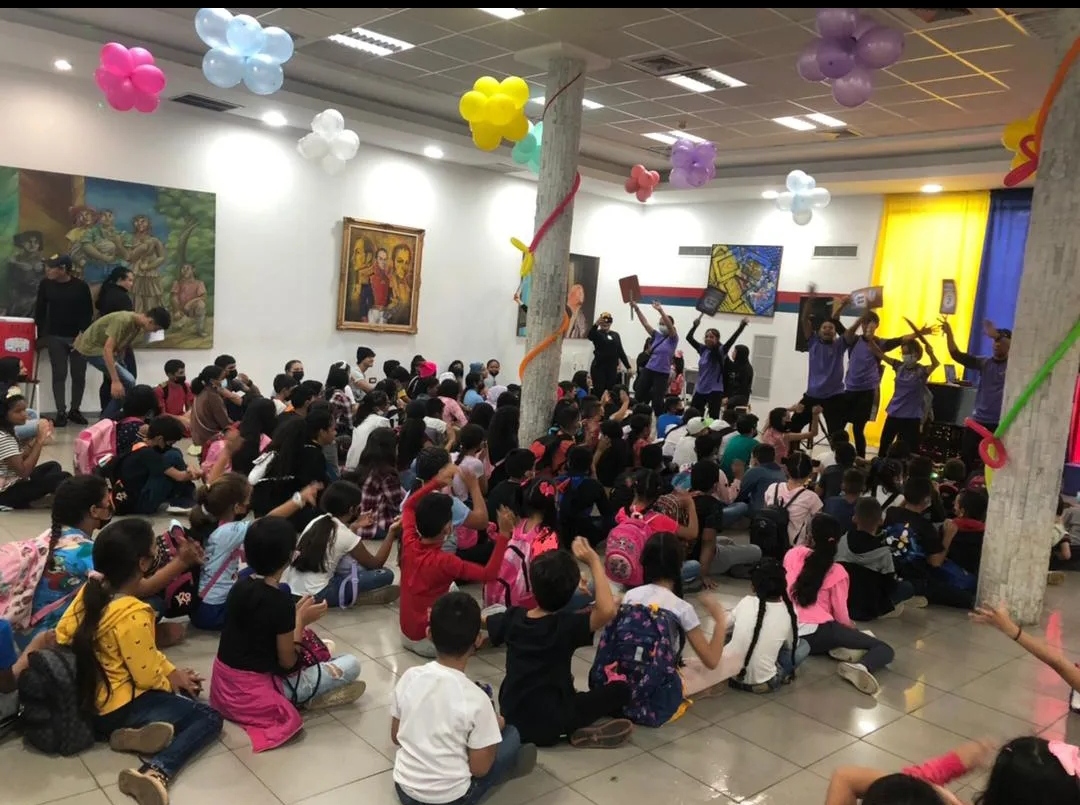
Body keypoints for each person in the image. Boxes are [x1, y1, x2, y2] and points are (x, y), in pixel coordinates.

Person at [56, 520, 223, 805]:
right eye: (154, 550)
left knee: (171, 697)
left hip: (90, 703)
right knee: (208, 717)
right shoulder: (134, 613)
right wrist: (172, 684)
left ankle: (127, 737)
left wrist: (172, 671)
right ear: (143, 563)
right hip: (120, 706)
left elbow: (62, 633)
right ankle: (156, 771)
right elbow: (146, 676)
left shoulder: (90, 592)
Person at [211, 516, 366, 752]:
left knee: (325, 645)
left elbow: (258, 632)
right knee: (351, 664)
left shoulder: (240, 585)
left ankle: (314, 684)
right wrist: (300, 621)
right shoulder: (279, 601)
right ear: (288, 557)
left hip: (223, 688)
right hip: (254, 696)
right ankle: (306, 698)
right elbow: (288, 662)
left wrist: (294, 618)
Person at [391, 592, 536, 805]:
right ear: (478, 640)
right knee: (511, 734)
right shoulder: (476, 699)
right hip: (451, 799)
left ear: (429, 634)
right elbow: (479, 769)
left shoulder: (410, 677)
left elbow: (396, 736)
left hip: (405, 790)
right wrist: (493, 727)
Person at [486, 540, 634, 748]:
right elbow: (607, 610)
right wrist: (594, 561)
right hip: (552, 722)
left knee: (559, 689)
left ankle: (572, 727)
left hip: (512, 716)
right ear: (571, 594)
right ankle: (573, 729)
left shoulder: (513, 618)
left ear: (533, 586)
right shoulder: (566, 626)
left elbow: (483, 621)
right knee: (620, 690)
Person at [399, 465, 511, 657]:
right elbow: (489, 574)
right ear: (448, 528)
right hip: (430, 643)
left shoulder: (409, 541)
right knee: (498, 613)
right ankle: (478, 641)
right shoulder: (445, 562)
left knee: (452, 591)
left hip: (406, 634)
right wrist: (504, 535)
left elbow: (408, 506)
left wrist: (435, 483)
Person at [785, 513, 895, 695]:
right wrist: (851, 628)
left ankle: (838, 647)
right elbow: (841, 615)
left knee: (840, 635)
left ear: (809, 536)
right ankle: (861, 666)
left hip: (786, 626)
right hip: (817, 632)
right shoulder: (837, 572)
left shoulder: (793, 554)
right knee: (883, 648)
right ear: (837, 540)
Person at [621, 532, 737, 696]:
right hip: (658, 687)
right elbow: (711, 661)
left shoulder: (630, 596)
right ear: (680, 566)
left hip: (625, 678)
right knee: (729, 665)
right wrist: (719, 620)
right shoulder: (681, 608)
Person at [283, 481, 399, 607]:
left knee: (344, 567)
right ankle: (353, 598)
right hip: (318, 595)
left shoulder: (316, 521)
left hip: (293, 591)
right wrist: (392, 532)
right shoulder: (345, 535)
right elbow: (376, 564)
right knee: (385, 574)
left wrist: (354, 526)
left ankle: (350, 595)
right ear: (352, 510)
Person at [841, 310, 917, 458]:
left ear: (877, 326)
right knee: (840, 426)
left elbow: (900, 340)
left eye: (872, 323)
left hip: (867, 391)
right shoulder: (854, 340)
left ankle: (861, 458)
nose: (868, 326)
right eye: (865, 323)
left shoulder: (880, 343)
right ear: (862, 324)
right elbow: (837, 324)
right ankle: (839, 456)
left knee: (858, 429)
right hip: (849, 389)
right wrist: (842, 308)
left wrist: (919, 333)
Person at [73, 307, 171, 420]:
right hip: (91, 349)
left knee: (126, 383)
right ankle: (106, 419)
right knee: (129, 381)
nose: (154, 332)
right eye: (156, 329)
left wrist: (119, 363)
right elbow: (107, 349)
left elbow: (121, 347)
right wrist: (115, 381)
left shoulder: (136, 326)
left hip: (105, 350)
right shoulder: (122, 320)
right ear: (150, 321)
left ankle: (114, 417)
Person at [727, 558, 808, 693]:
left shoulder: (745, 602)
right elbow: (790, 646)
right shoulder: (789, 613)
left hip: (730, 676)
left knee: (731, 635)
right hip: (765, 682)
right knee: (804, 646)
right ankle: (774, 675)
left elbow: (724, 627)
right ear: (784, 587)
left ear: (753, 587)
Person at [940, 316, 1010, 471]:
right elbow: (957, 355)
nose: (997, 344)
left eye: (1000, 341)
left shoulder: (1013, 365)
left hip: (999, 424)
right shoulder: (984, 363)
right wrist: (949, 333)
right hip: (978, 422)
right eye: (995, 341)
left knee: (992, 466)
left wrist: (997, 335)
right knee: (966, 460)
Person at [34, 254, 93, 426]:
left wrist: (82, 335)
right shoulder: (46, 285)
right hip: (55, 336)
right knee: (59, 374)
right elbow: (40, 310)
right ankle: (61, 411)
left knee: (79, 374)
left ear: (63, 269)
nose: (47, 270)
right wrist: (39, 336)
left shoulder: (80, 286)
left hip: (78, 337)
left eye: (51, 267)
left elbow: (87, 312)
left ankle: (75, 410)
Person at [687, 460, 759, 586]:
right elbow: (708, 542)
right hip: (704, 560)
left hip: (688, 553)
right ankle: (734, 567)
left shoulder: (685, 497)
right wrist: (703, 575)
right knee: (756, 551)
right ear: (715, 485)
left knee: (726, 540)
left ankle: (734, 566)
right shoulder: (712, 505)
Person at [0, 385, 68, 510]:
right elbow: (23, 472)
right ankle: (40, 499)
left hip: (14, 480)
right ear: (4, 414)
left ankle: (41, 497)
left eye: (24, 410)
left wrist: (33, 442)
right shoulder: (4, 438)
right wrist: (39, 441)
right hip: (6, 493)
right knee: (63, 476)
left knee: (53, 466)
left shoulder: (8, 431)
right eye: (18, 411)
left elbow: (18, 457)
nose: (24, 414)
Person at [791, 289, 848, 437]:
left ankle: (838, 452)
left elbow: (841, 325)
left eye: (831, 328)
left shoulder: (840, 344)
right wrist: (810, 299)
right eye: (824, 327)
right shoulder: (813, 342)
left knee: (836, 433)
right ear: (819, 331)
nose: (827, 330)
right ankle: (792, 450)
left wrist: (842, 306)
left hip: (834, 396)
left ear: (835, 332)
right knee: (794, 425)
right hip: (813, 395)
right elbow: (804, 319)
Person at [870, 332, 939, 456]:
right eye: (903, 353)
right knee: (884, 446)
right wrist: (869, 339)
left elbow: (935, 364)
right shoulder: (898, 366)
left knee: (909, 451)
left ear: (916, 354)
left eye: (907, 353)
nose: (905, 356)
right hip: (894, 413)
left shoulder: (922, 371)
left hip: (911, 417)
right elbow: (880, 354)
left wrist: (931, 353)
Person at [118, 416, 199, 515]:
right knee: (173, 455)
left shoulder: (140, 444)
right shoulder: (149, 454)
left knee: (174, 453)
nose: (170, 446)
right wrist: (199, 473)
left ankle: (186, 497)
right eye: (170, 443)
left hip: (134, 496)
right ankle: (183, 499)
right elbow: (180, 476)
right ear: (160, 439)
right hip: (141, 504)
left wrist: (190, 467)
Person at [686, 314, 748, 419]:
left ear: (717, 339)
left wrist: (741, 326)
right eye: (706, 336)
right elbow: (689, 338)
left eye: (711, 337)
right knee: (693, 415)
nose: (708, 339)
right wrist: (695, 326)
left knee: (713, 417)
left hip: (714, 390)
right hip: (701, 388)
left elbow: (732, 340)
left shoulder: (721, 351)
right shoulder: (703, 349)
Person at [96, 265, 138, 413]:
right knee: (127, 378)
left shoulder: (106, 293)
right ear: (120, 280)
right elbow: (127, 323)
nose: (131, 284)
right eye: (129, 280)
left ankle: (106, 411)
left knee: (109, 378)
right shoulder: (121, 298)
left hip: (107, 340)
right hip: (119, 343)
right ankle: (111, 414)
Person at [763, 452, 823, 547]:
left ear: (786, 470)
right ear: (810, 474)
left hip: (769, 541)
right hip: (794, 547)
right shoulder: (812, 497)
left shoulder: (773, 488)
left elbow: (765, 509)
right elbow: (818, 525)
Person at [631, 300, 678, 415]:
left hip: (662, 373)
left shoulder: (673, 339)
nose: (662, 325)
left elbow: (670, 327)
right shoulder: (657, 335)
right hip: (649, 369)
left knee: (657, 401)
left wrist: (660, 311)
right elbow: (645, 323)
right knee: (639, 395)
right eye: (660, 323)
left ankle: (658, 420)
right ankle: (636, 417)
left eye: (664, 323)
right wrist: (637, 309)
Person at [588, 312, 631, 396]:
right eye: (603, 322)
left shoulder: (615, 335)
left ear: (611, 322)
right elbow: (590, 336)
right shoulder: (597, 333)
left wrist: (628, 367)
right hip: (599, 367)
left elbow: (620, 351)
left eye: (608, 322)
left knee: (610, 391)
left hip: (612, 367)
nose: (605, 323)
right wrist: (596, 324)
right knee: (599, 391)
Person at [736, 443, 787, 513]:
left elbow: (740, 495)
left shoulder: (755, 471)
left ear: (755, 459)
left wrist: (738, 477)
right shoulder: (782, 472)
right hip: (777, 513)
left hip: (758, 513)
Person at [154, 360, 193, 430]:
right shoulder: (161, 390)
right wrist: (180, 419)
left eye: (184, 372)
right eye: (181, 373)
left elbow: (189, 407)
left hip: (182, 417)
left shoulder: (186, 386)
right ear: (169, 375)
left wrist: (186, 418)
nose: (184, 375)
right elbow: (162, 414)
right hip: (167, 421)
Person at [723, 344, 754, 408]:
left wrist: (728, 399)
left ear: (740, 354)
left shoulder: (746, 369)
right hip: (730, 397)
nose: (732, 353)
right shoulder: (734, 365)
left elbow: (743, 388)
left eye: (735, 351)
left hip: (739, 399)